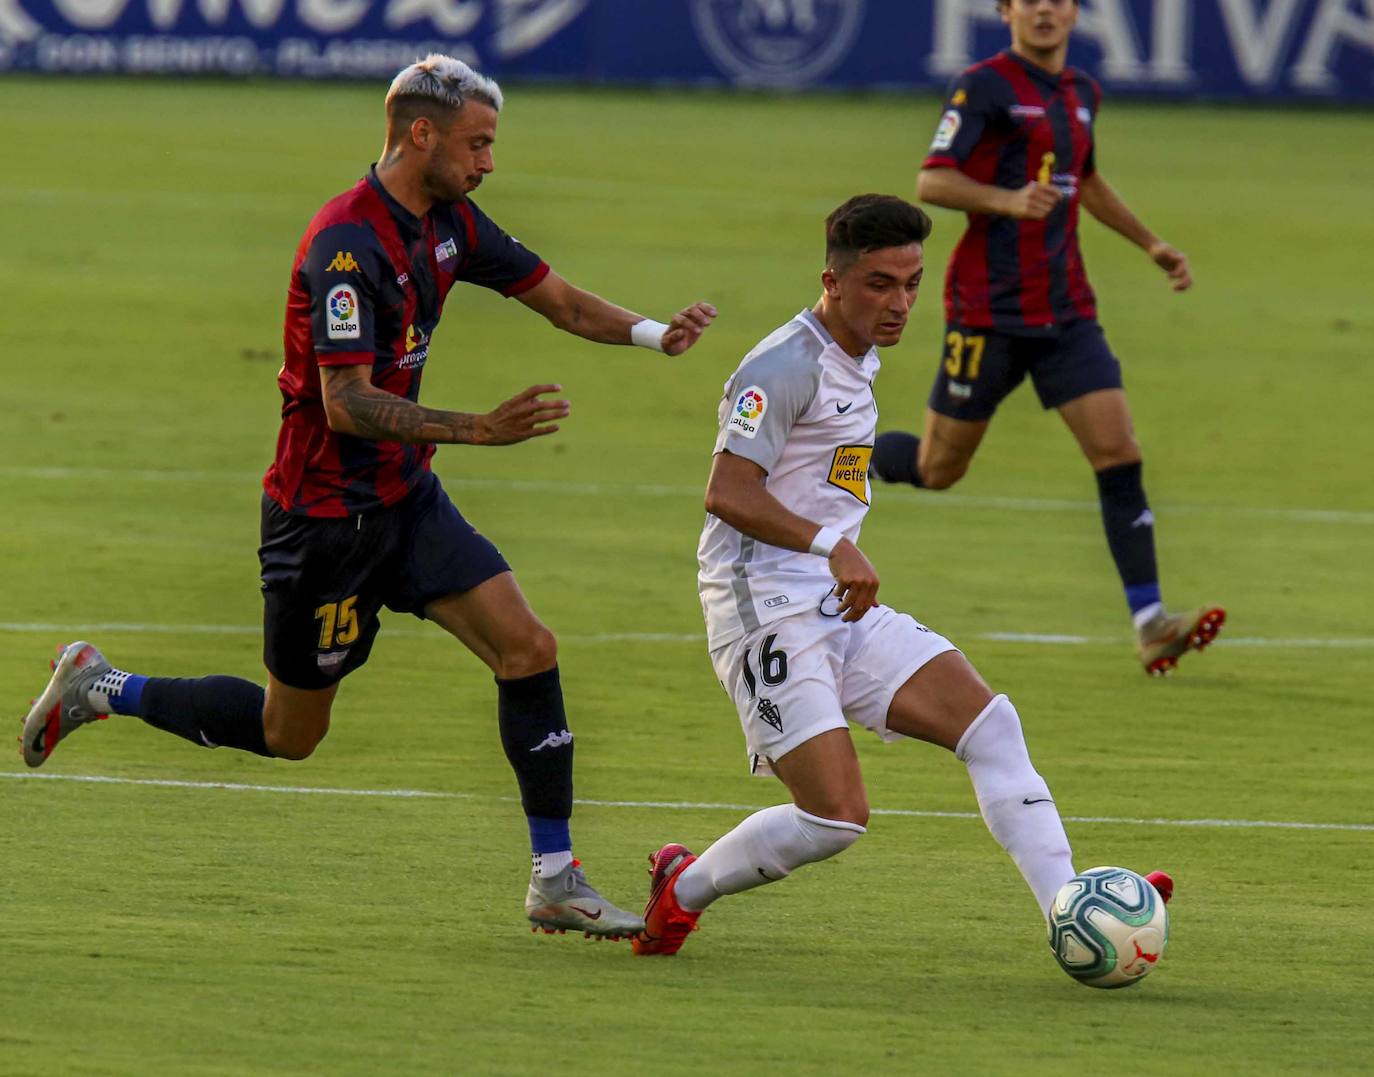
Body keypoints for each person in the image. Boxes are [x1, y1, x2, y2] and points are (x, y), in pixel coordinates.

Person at [20, 54, 717, 942]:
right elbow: (342, 403)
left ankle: (555, 874)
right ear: (420, 133)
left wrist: (657, 336)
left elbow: (562, 302)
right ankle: (103, 685)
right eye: (478, 143)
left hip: (406, 499)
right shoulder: (345, 246)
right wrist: (479, 428)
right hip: (322, 521)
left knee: (529, 647)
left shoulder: (452, 220)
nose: (489, 162)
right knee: (290, 733)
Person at [631, 193, 1170, 958]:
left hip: (834, 600)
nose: (901, 303)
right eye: (881, 283)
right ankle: (681, 888)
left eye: (913, 283)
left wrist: (831, 553)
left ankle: (1073, 911)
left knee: (992, 726)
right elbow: (727, 493)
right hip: (764, 609)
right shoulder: (784, 365)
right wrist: (831, 542)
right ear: (834, 281)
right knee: (836, 818)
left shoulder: (857, 358)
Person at [869, 0, 1223, 676]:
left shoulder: (1082, 91)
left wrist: (1151, 243)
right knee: (939, 469)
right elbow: (931, 179)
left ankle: (1150, 622)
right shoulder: (985, 85)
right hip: (988, 310)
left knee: (1118, 449)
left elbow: (1082, 179)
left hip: (1065, 312)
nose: (1046, 11)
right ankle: (838, 455)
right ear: (1006, 12)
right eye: (1029, 0)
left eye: (1059, 0)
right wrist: (1006, 200)